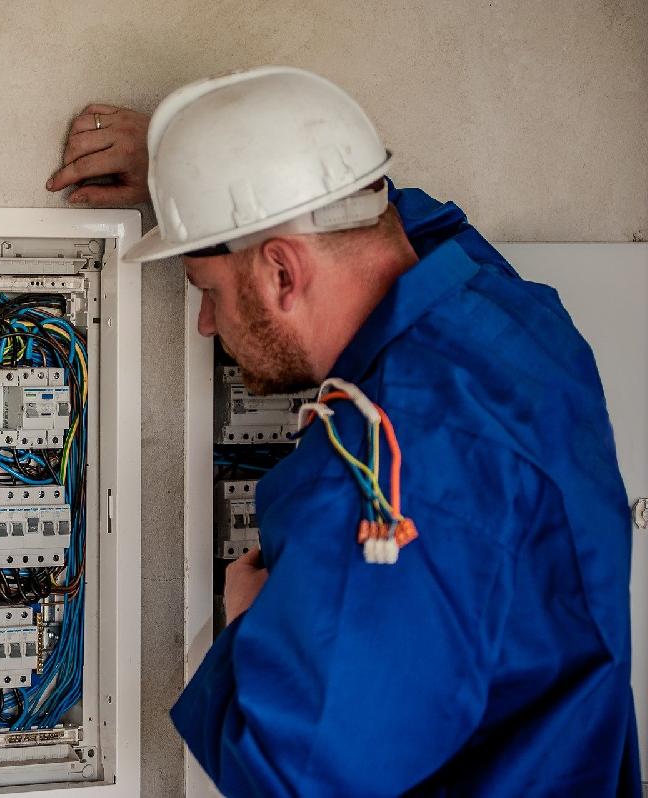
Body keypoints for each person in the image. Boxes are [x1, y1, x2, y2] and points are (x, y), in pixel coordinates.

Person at [48, 67, 640, 795]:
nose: (206, 323)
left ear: (282, 273)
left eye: (208, 292)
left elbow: (297, 775)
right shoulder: (517, 321)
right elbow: (396, 217)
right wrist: (194, 172)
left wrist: (250, 631)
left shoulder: (382, 475)